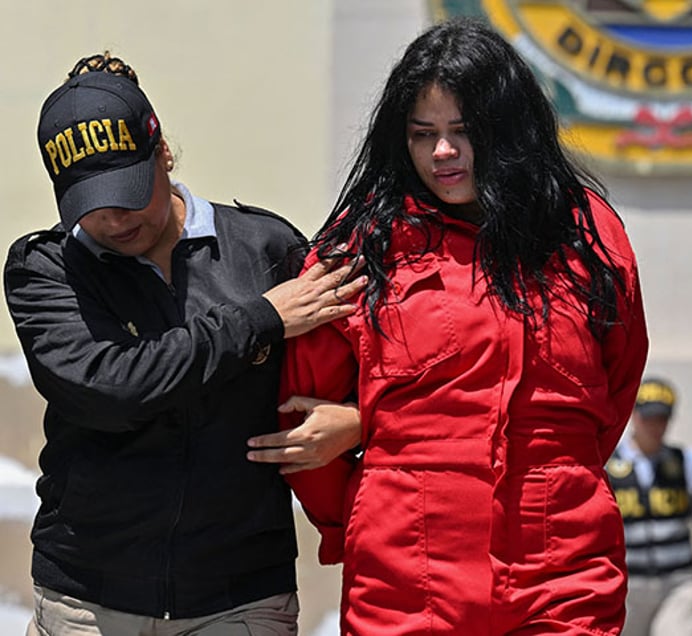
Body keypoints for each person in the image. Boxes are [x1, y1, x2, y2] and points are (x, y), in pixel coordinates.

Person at [248, 18, 649, 635]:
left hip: (565, 569)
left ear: (510, 130)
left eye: (464, 132)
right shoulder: (361, 248)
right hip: (406, 575)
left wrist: (552, 471)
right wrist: (374, 504)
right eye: (423, 134)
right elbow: (305, 418)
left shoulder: (587, 235)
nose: (443, 152)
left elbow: (616, 383)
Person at [4, 53, 364, 635]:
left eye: (127, 191)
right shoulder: (45, 267)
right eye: (90, 204)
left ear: (163, 153)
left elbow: (373, 361)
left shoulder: (265, 249)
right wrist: (258, 322)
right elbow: (111, 388)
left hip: (242, 597)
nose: (115, 219)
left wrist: (356, 420)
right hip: (88, 599)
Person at [605, 376, 692, 636]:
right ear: (633, 415)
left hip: (677, 584)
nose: (655, 426)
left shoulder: (685, 461)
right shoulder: (608, 463)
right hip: (625, 585)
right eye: (648, 418)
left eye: (662, 419)